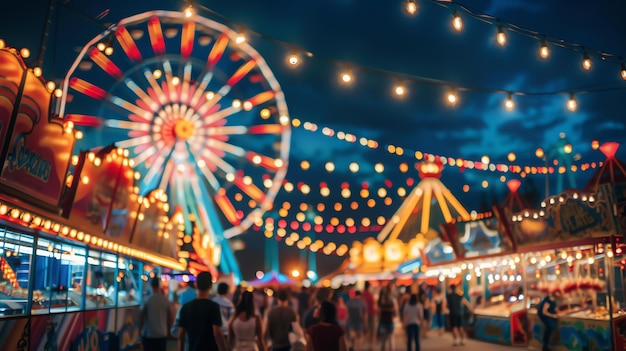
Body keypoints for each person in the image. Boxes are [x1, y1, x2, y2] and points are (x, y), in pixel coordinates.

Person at [178, 271, 227, 351]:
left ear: (196, 284)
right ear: (210, 285)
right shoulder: (213, 307)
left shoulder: (186, 307)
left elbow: (181, 335)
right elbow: (217, 333)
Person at [139, 277, 173, 351]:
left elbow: (142, 317)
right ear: (160, 286)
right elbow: (170, 317)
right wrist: (170, 331)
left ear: (151, 286)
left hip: (149, 334)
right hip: (162, 334)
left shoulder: (147, 300)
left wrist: (139, 331)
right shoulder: (165, 300)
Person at [377, 286, 398, 351]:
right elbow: (396, 311)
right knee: (391, 339)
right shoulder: (392, 300)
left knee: (383, 340)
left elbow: (379, 313)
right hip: (390, 321)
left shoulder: (380, 302)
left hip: (382, 321)